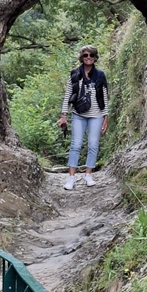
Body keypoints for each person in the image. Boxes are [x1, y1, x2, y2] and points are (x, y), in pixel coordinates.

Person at [57, 45, 109, 190]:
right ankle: (71, 178)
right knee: (76, 144)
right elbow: (67, 95)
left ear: (95, 57)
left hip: (96, 115)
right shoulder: (75, 74)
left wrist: (106, 117)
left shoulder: (100, 75)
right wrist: (63, 116)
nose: (88, 58)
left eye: (91, 55)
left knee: (93, 144)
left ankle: (88, 174)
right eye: (85, 55)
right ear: (81, 57)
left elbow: (105, 97)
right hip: (78, 114)